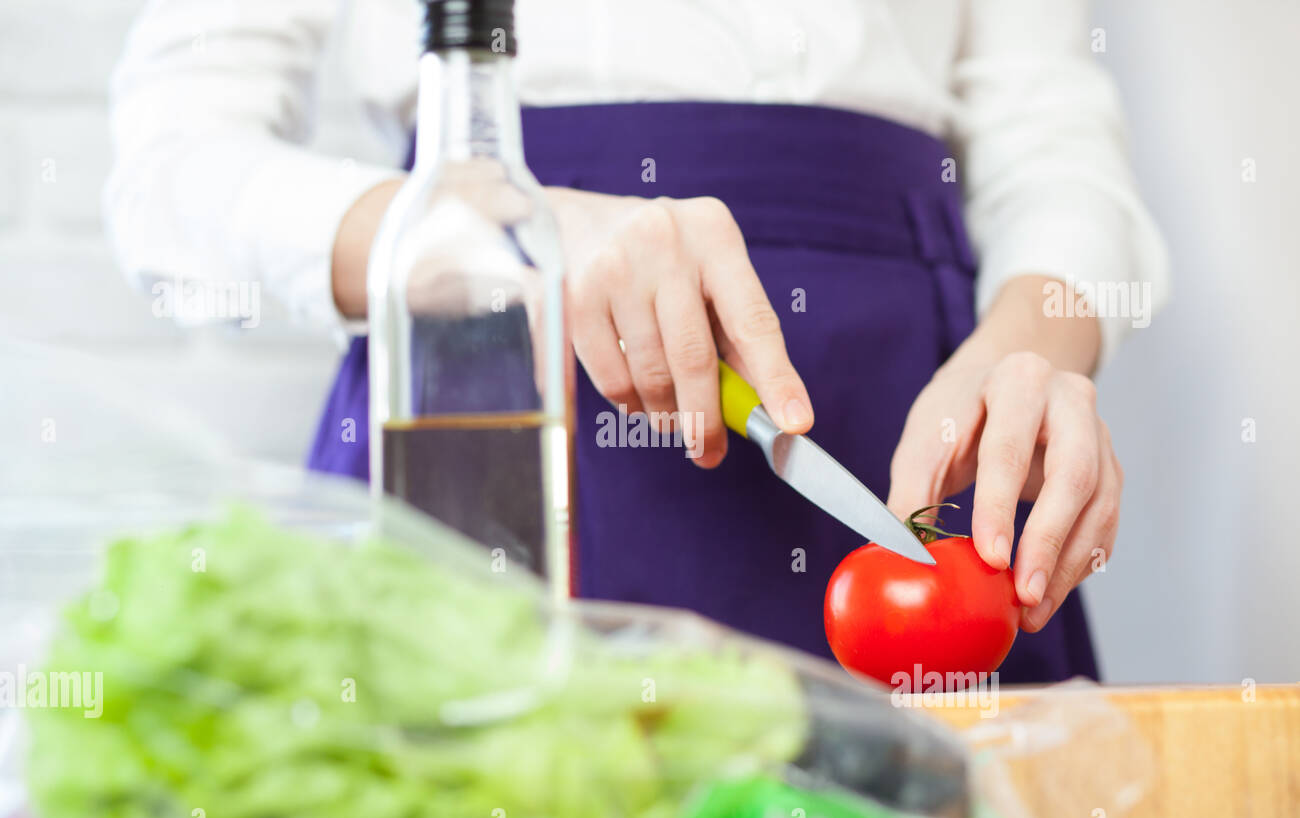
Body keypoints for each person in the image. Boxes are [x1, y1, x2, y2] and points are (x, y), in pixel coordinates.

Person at [104, 0, 1167, 680]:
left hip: (910, 437)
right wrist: (503, 232)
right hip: (486, 422)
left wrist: (1029, 353)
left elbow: (1056, 153)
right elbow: (168, 175)